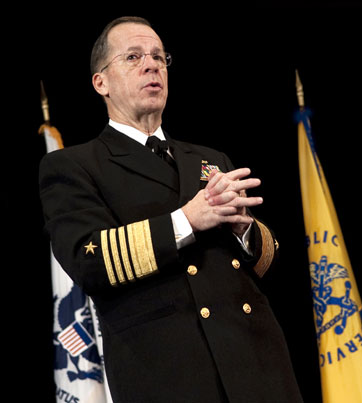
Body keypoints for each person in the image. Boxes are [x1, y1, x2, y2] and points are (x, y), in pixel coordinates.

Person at [39, 16, 303, 403]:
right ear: (101, 83)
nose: (152, 65)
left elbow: (269, 265)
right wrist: (187, 221)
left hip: (257, 361)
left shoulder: (209, 158)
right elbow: (86, 261)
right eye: (133, 57)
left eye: (159, 57)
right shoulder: (75, 165)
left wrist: (243, 230)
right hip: (169, 370)